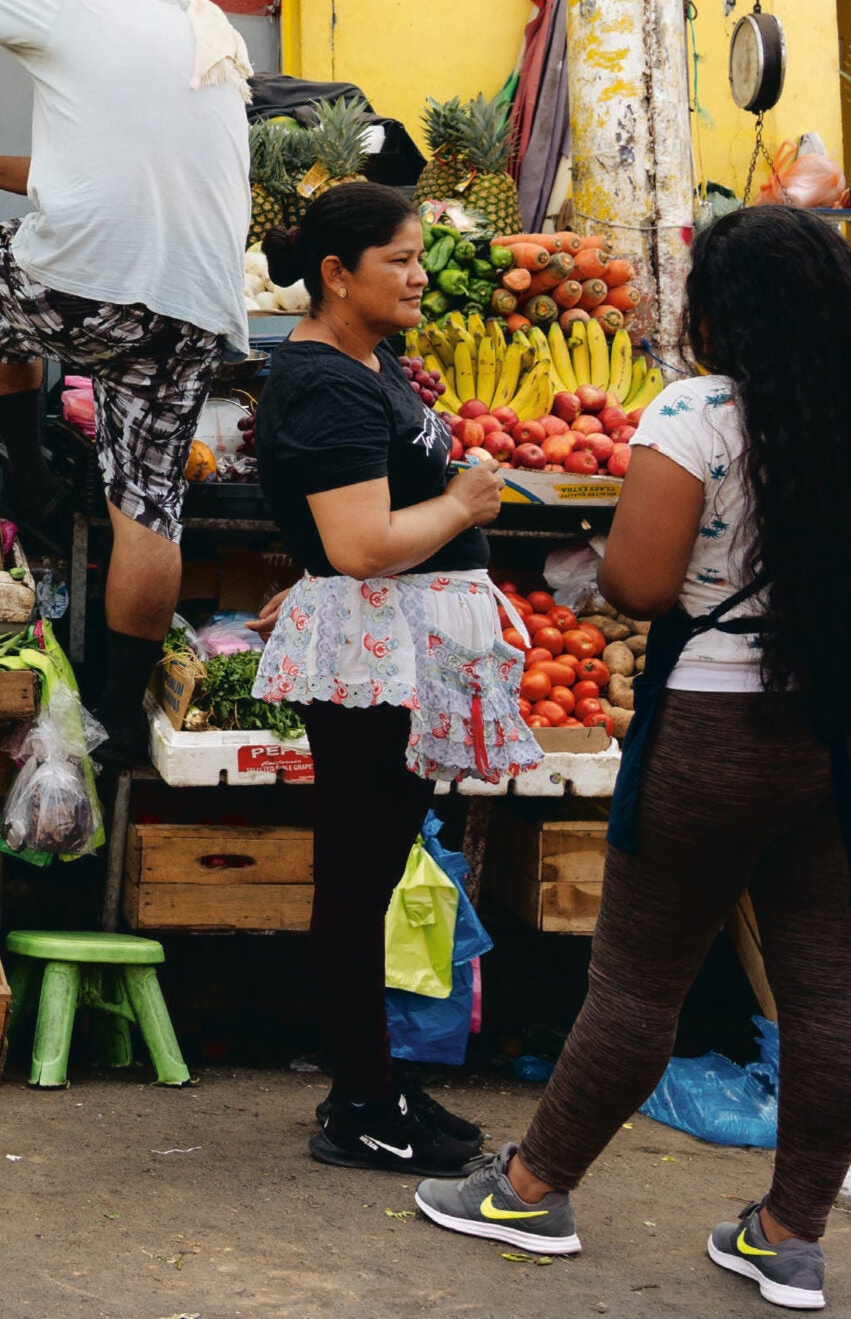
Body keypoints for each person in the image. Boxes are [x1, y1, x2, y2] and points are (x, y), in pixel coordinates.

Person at [418, 204, 851, 1308]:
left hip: (722, 728)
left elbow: (634, 584)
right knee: (827, 984)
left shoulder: (698, 417)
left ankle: (529, 1192)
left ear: (727, 315)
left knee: (637, 979)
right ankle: (789, 1236)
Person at [0, 0, 250, 755]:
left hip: (93, 281)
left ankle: (31, 478)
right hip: (194, 301)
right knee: (150, 509)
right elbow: (121, 174)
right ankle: (118, 719)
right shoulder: (195, 31)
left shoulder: (65, 3)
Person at [247, 182, 535, 1176]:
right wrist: (462, 503)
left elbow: (343, 537)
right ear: (338, 273)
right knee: (357, 875)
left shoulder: (365, 363)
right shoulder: (324, 379)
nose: (419, 276)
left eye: (419, 257)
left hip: (394, 641)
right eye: (400, 260)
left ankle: (370, 1081)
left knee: (372, 868)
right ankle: (363, 1101)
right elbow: (364, 543)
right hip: (375, 646)